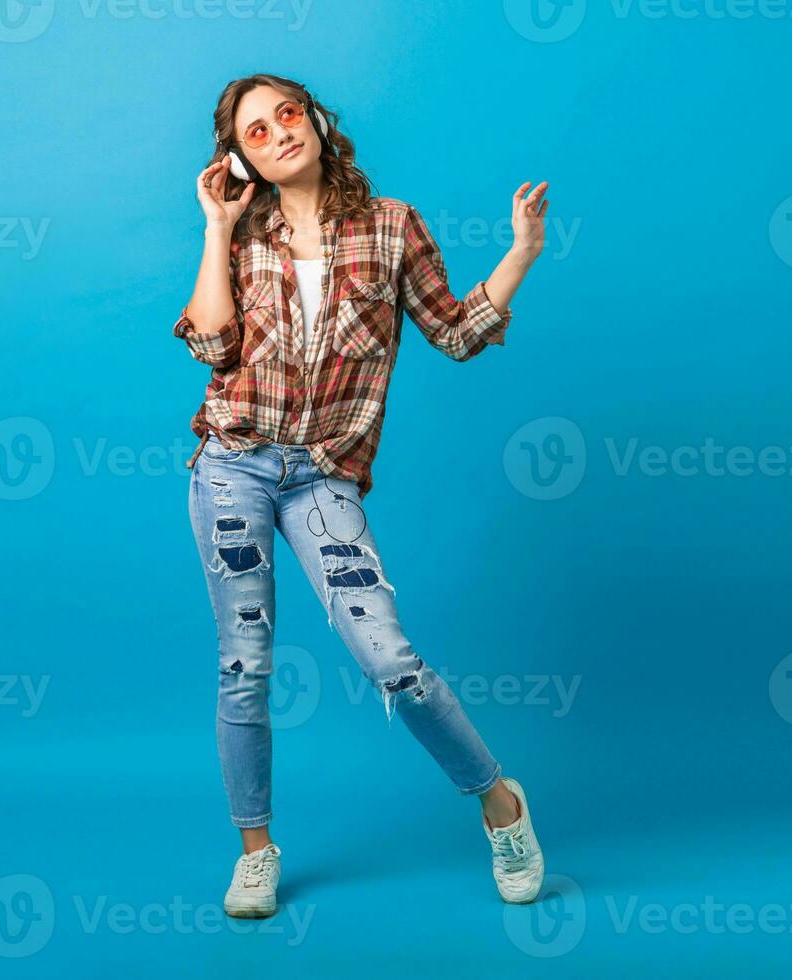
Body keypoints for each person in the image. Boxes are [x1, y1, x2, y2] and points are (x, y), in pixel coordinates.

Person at [174, 73, 550, 919]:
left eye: (287, 115)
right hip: (232, 463)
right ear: (240, 159)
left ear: (315, 119)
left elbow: (455, 334)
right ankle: (256, 852)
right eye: (256, 132)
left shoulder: (389, 227)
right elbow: (211, 344)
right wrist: (217, 226)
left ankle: (500, 803)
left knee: (390, 660)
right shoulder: (241, 233)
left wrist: (521, 252)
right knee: (244, 669)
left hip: (322, 474)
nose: (279, 134)